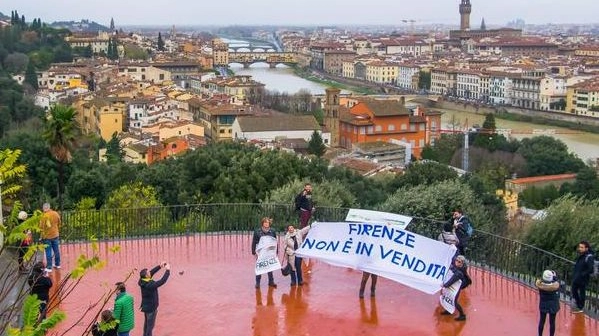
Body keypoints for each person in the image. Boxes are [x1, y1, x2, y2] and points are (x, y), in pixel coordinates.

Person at [138, 262, 171, 336]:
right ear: (146, 276)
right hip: (151, 309)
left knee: (146, 326)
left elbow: (151, 272)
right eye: (148, 272)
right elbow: (162, 281)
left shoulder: (142, 280)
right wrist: (168, 270)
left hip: (146, 307)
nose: (150, 272)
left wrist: (160, 266)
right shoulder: (150, 285)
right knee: (150, 327)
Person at [441, 255, 469, 321]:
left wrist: (444, 285)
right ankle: (448, 309)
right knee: (447, 297)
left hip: (455, 289)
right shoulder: (455, 267)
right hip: (451, 287)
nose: (457, 262)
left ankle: (462, 315)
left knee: (454, 301)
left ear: (462, 264)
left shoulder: (459, 273)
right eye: (456, 260)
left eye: (459, 262)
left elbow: (452, 281)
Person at [252, 217, 277, 289]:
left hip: (269, 252)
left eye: (268, 222)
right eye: (265, 222)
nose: (266, 224)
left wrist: (276, 251)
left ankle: (271, 281)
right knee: (260, 266)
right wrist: (254, 252)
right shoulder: (257, 231)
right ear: (262, 223)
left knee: (270, 266)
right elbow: (254, 242)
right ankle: (257, 282)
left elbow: (275, 241)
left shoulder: (273, 231)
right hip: (261, 252)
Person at [571, 240, 595, 313]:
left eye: (582, 247)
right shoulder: (582, 254)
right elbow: (574, 248)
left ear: (586, 248)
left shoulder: (589, 257)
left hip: (582, 278)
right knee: (574, 290)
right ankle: (578, 304)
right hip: (577, 277)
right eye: (579, 247)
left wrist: (582, 274)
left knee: (582, 293)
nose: (580, 248)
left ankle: (580, 307)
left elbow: (590, 269)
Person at [536, 270, 560, 336]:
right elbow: (557, 282)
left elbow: (539, 280)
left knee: (542, 321)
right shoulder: (555, 286)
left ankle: (540, 335)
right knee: (552, 322)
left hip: (543, 304)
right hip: (553, 305)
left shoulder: (540, 285)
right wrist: (554, 276)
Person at [39, 202, 61, 272]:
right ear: (49, 207)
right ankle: (57, 264)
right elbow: (59, 222)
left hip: (47, 236)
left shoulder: (44, 216)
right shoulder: (55, 213)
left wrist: (41, 236)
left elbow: (41, 227)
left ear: (44, 208)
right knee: (56, 250)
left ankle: (49, 267)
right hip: (55, 234)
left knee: (48, 251)